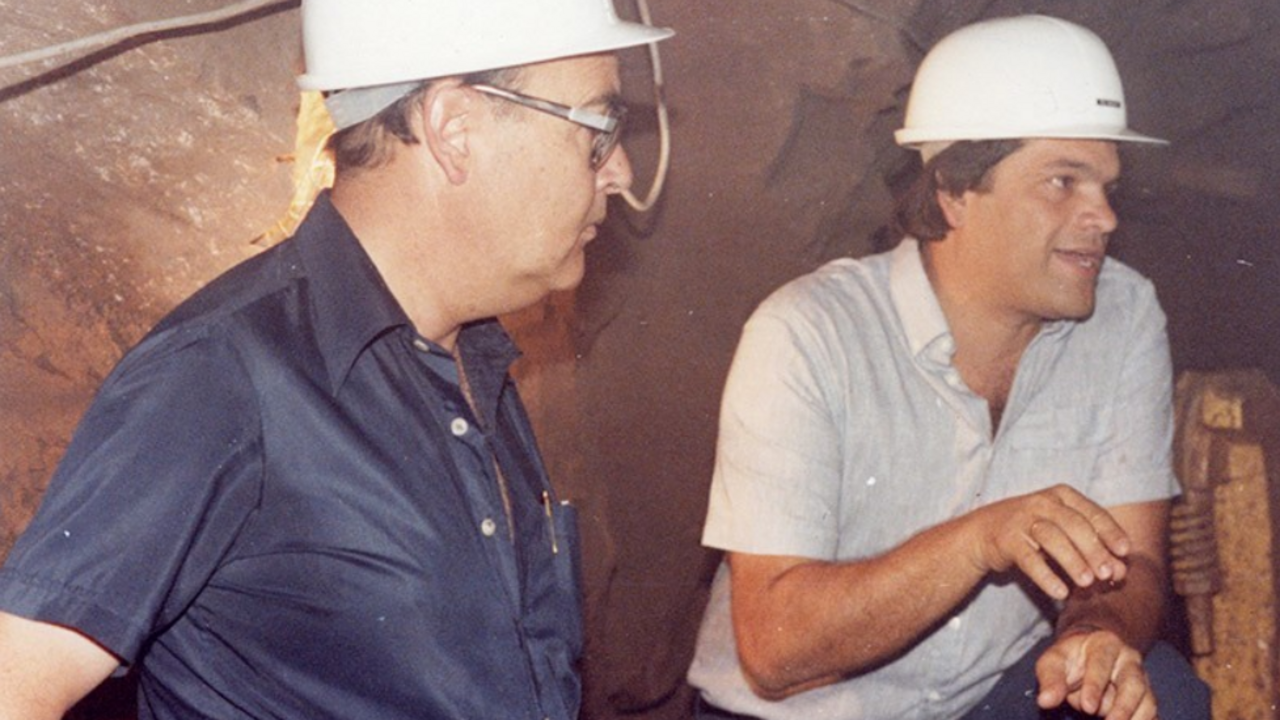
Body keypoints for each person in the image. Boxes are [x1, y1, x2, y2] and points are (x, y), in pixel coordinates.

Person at [0, 1, 671, 718]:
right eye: (599, 130)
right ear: (456, 128)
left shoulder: (475, 369)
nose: (620, 170)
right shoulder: (222, 376)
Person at [688, 14, 1209, 720]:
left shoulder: (1123, 315)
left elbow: (1136, 564)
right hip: (797, 714)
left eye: (1107, 187)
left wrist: (1095, 634)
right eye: (1062, 181)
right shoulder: (809, 334)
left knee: (1160, 692)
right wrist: (979, 540)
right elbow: (774, 655)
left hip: (987, 699)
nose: (1104, 216)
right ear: (955, 191)